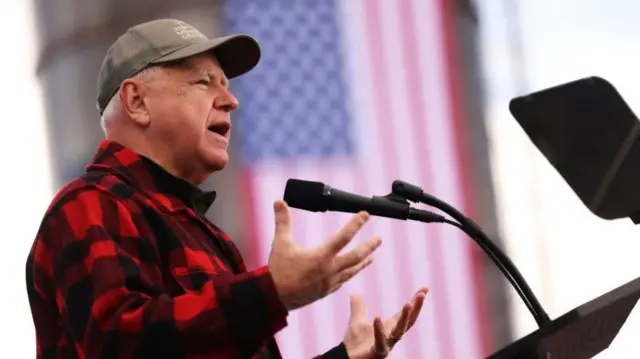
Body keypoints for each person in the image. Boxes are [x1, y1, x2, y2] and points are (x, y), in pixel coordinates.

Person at [25, 19, 428, 359]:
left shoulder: (209, 235)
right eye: (204, 82)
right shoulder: (90, 204)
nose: (231, 100)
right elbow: (119, 343)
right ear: (137, 101)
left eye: (226, 85)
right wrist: (269, 293)